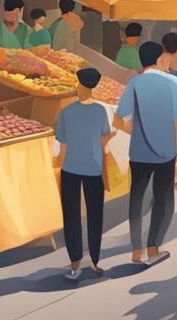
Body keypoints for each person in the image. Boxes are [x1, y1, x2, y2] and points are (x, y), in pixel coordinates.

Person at [113, 41, 177, 266]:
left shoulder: (134, 83)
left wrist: (132, 130)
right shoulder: (172, 82)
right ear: (160, 59)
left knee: (136, 199)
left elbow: (119, 118)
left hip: (139, 151)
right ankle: (154, 248)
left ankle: (136, 251)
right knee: (163, 199)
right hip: (165, 151)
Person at [54, 68, 113, 281]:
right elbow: (104, 135)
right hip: (94, 167)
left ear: (79, 86)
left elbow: (61, 147)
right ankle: (95, 261)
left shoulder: (66, 112)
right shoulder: (100, 111)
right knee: (95, 215)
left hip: (70, 168)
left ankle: (75, 264)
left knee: (71, 216)